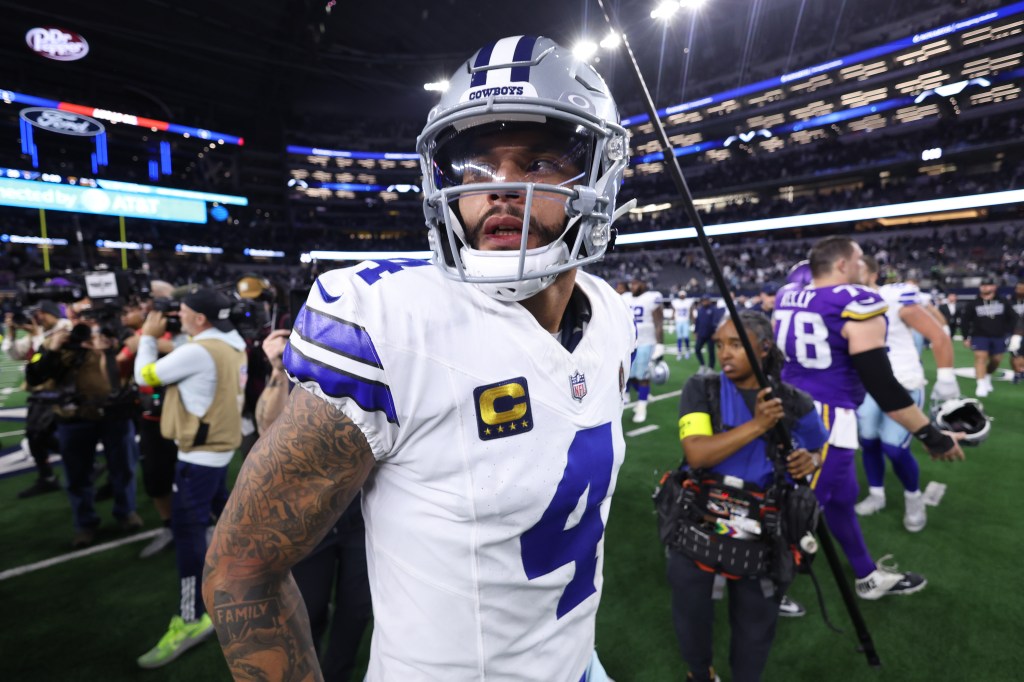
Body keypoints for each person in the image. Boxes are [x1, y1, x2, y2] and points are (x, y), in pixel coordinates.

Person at [203, 35, 634, 682]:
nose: (501, 188)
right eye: (476, 167)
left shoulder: (610, 312)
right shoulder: (386, 320)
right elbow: (240, 572)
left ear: (602, 171)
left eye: (540, 162)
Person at [774, 236, 964, 600]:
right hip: (826, 418)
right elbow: (884, 387)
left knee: (842, 498)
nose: (865, 265)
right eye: (859, 258)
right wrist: (932, 436)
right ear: (843, 265)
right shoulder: (858, 303)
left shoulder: (787, 294)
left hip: (791, 408)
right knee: (796, 508)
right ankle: (764, 589)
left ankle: (867, 575)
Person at [671, 312, 825, 682]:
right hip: (699, 521)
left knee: (755, 626)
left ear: (764, 347)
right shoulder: (702, 387)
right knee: (691, 613)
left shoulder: (793, 401)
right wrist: (758, 426)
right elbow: (697, 453)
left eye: (736, 345)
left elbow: (819, 447)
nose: (725, 353)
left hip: (766, 530)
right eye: (721, 344)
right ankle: (700, 672)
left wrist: (811, 460)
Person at [134, 287, 248, 669]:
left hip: (197, 457)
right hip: (218, 450)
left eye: (182, 311)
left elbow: (145, 376)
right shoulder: (232, 343)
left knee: (188, 533)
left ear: (200, 318)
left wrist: (147, 338)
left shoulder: (198, 351)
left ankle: (190, 618)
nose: (176, 316)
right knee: (230, 520)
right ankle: (262, 576)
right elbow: (193, 354)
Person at [255, 328, 373, 681]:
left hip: (362, 511)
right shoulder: (299, 366)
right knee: (308, 609)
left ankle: (335, 674)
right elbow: (266, 426)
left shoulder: (375, 362)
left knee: (356, 610)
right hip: (310, 513)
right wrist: (278, 368)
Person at [854, 256, 960, 532]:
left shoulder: (895, 297)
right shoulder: (845, 300)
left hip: (903, 382)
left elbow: (939, 336)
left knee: (894, 447)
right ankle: (876, 494)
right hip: (868, 385)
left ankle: (913, 498)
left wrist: (946, 378)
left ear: (874, 274)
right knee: (869, 442)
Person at [24, 315, 142, 547]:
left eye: (92, 325)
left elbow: (119, 379)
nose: (86, 333)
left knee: (124, 467)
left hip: (114, 413)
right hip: (73, 416)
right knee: (77, 475)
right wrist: (53, 349)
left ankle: (126, 512)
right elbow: (34, 375)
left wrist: (108, 349)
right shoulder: (55, 343)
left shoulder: (117, 341)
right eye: (82, 326)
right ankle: (85, 523)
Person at [118, 296, 185, 558]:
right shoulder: (138, 337)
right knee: (156, 476)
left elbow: (191, 351)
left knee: (193, 475)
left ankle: (207, 523)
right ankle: (169, 525)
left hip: (182, 417)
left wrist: (150, 341)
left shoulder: (182, 335)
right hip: (149, 418)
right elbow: (119, 365)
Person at [3, 300, 71, 498]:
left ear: (52, 314)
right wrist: (12, 332)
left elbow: (46, 358)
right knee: (35, 436)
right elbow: (15, 354)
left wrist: (36, 336)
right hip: (39, 392)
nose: (37, 319)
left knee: (40, 435)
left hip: (56, 391)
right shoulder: (40, 332)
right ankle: (47, 477)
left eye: (41, 314)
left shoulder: (64, 328)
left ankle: (86, 462)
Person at [961, 278, 1017, 397]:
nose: (985, 287)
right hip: (979, 335)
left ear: (994, 287)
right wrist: (965, 337)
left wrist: (1008, 332)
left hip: (999, 336)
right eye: (983, 285)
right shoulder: (973, 303)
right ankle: (980, 384)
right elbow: (965, 321)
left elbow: (1013, 317)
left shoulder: (1002, 301)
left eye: (988, 285)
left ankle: (987, 375)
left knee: (996, 360)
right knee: (980, 358)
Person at [622, 278, 664, 423]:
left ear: (644, 284)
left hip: (647, 342)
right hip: (631, 343)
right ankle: (643, 395)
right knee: (631, 375)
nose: (633, 286)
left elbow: (659, 322)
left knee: (643, 376)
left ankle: (641, 408)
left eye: (636, 283)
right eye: (632, 283)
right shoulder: (625, 298)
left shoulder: (651, 298)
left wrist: (660, 344)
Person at [693, 295, 724, 374]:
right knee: (697, 349)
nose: (704, 302)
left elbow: (716, 322)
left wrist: (715, 333)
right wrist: (695, 331)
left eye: (706, 300)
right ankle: (702, 365)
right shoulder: (700, 309)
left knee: (711, 352)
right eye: (703, 300)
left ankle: (711, 368)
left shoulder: (714, 309)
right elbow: (697, 321)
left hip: (711, 335)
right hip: (701, 334)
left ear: (709, 300)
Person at [1007, 282, 1024, 384]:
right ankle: (1017, 373)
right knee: (1014, 354)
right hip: (1013, 332)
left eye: (1022, 288)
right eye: (1018, 288)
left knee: (1022, 354)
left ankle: (1020, 372)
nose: (1020, 290)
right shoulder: (1010, 301)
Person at [671, 290, 694, 360]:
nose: (682, 296)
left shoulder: (688, 302)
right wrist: (671, 320)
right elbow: (674, 311)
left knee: (686, 337)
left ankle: (687, 351)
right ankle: (679, 353)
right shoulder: (676, 302)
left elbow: (691, 312)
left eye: (683, 295)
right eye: (681, 295)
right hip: (678, 321)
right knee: (679, 338)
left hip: (685, 321)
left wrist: (693, 321)